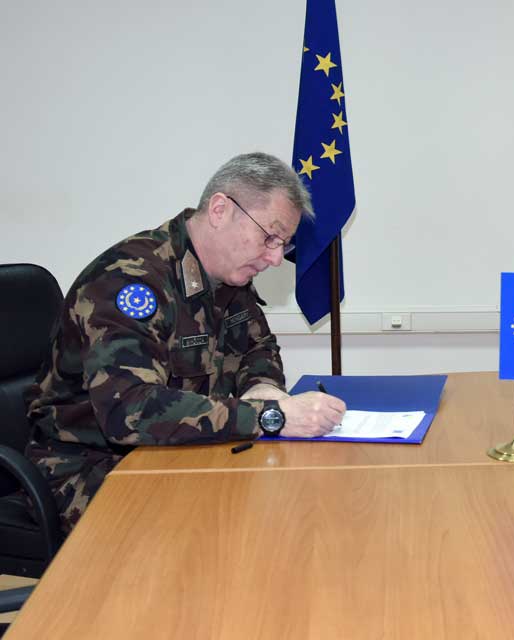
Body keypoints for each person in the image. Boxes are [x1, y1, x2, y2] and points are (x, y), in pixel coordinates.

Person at [26, 152, 347, 532]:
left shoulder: (229, 277)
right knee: (217, 529)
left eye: (284, 245)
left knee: (289, 506)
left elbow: (258, 349)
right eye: (270, 236)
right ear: (219, 209)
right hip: (90, 468)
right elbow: (131, 411)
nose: (276, 258)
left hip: (181, 452)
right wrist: (269, 417)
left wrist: (263, 388)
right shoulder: (127, 283)